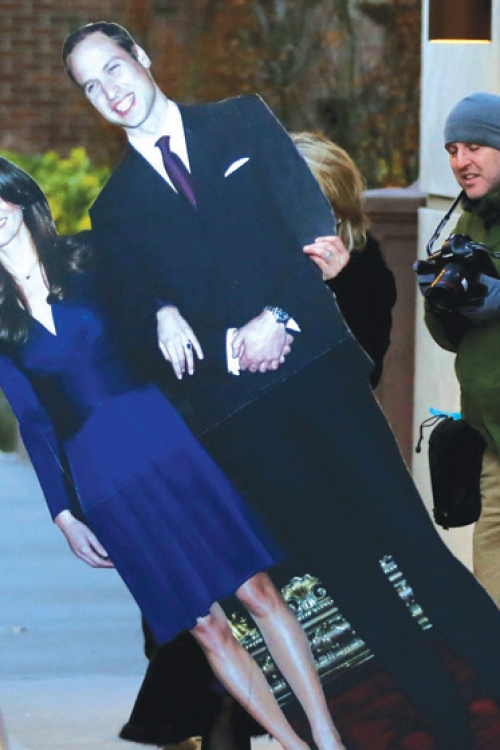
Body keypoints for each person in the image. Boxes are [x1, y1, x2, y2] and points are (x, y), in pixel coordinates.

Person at [62, 22, 500, 749]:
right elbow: (135, 324)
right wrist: (167, 315)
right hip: (242, 421)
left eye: (113, 68)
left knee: (413, 548)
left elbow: (307, 220)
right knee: (351, 581)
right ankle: (447, 729)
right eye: (90, 85)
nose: (109, 91)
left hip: (321, 379)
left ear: (140, 58)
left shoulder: (240, 120)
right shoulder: (114, 211)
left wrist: (277, 318)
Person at [0, 156, 347, 750]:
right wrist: (63, 513)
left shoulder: (85, 257)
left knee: (257, 591)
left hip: (168, 441)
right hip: (104, 478)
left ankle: (325, 735)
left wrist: (162, 311)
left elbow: (151, 292)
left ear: (20, 198)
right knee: (205, 627)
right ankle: (292, 746)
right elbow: (32, 419)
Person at [121, 132, 397, 750]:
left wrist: (326, 295)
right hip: (209, 474)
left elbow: (360, 372)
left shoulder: (362, 274)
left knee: (296, 653)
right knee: (202, 658)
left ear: (333, 212)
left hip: (304, 484)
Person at [419, 91, 500, 608]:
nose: (461, 161)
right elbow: (453, 340)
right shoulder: (469, 220)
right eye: (452, 150)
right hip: (491, 441)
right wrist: (442, 302)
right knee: (490, 599)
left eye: (475, 147)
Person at [294, 132, 397, 389]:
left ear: (338, 212)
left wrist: (339, 285)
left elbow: (366, 371)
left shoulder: (364, 270)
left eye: (307, 201)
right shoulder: (249, 248)